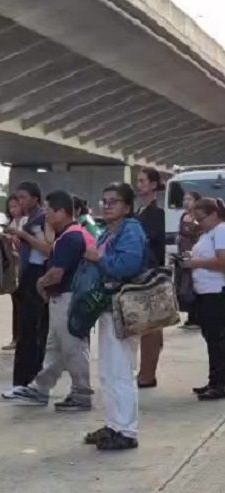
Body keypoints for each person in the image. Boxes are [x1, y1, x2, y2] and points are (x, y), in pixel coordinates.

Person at [4, 190, 93, 411]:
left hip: (69, 298)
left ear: (62, 212)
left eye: (50, 212)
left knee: (73, 348)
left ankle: (81, 393)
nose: (47, 217)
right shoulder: (73, 234)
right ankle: (40, 387)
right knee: (55, 348)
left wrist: (40, 283)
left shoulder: (70, 237)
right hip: (63, 298)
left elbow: (57, 272)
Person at [83, 182, 147, 451]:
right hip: (109, 308)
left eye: (114, 201)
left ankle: (126, 430)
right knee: (108, 370)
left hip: (124, 308)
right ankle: (114, 423)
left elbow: (127, 266)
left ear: (127, 207)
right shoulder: (109, 231)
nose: (107, 205)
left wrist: (99, 259)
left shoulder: (130, 230)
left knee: (120, 370)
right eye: (105, 200)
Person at [5, 181, 52, 394]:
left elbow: (45, 249)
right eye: (17, 198)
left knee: (33, 333)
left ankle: (30, 382)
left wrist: (24, 236)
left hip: (36, 277)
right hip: (27, 276)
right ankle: (22, 382)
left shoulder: (42, 219)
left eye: (23, 198)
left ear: (35, 198)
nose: (20, 202)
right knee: (26, 332)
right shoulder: (28, 219)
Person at [183, 198, 225, 400]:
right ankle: (214, 379)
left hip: (216, 291)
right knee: (211, 338)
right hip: (205, 291)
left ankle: (220, 383)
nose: (199, 223)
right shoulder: (209, 233)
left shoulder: (221, 231)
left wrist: (195, 263)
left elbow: (222, 262)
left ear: (214, 215)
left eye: (202, 218)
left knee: (217, 340)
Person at [135, 167, 166, 388]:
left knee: (151, 327)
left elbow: (152, 242)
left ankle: (147, 373)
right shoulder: (140, 212)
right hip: (140, 274)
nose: (140, 185)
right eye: (138, 181)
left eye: (143, 181)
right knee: (145, 325)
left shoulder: (157, 213)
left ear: (154, 185)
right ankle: (145, 371)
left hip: (151, 274)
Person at [2, 195, 24, 351]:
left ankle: (22, 337)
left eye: (15, 206)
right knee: (15, 304)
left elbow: (25, 245)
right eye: (10, 207)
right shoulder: (11, 223)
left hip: (24, 266)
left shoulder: (25, 222)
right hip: (13, 267)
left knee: (23, 305)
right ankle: (15, 337)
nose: (13, 210)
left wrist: (14, 238)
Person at [178, 191, 202, 330]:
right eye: (184, 199)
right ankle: (189, 316)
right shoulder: (183, 216)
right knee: (184, 286)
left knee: (194, 285)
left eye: (189, 199)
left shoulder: (198, 219)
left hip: (195, 256)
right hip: (182, 256)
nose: (186, 202)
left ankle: (197, 317)